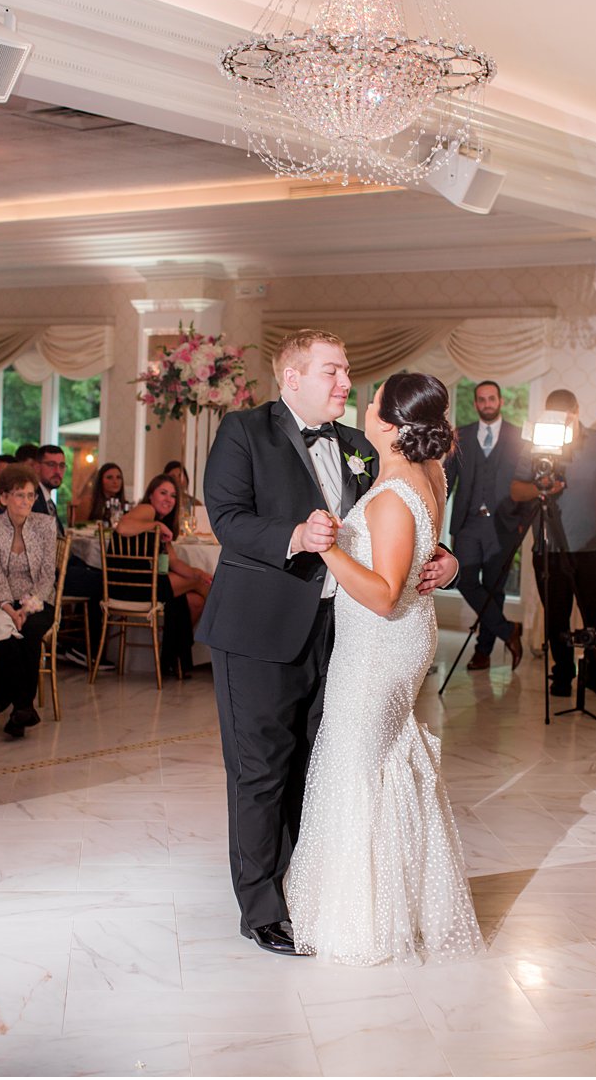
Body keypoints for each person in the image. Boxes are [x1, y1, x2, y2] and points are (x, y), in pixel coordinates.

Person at [198, 330, 458, 957]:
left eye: (346, 372)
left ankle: (304, 888)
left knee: (313, 769)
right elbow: (226, 518)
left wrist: (442, 557)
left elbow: (399, 524)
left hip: (343, 637)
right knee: (259, 772)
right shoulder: (243, 431)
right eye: (333, 371)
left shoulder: (360, 446)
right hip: (258, 631)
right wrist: (294, 535)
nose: (346, 383)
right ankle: (261, 909)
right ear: (293, 377)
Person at [286, 372, 485, 965]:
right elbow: (425, 552)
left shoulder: (396, 492)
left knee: (356, 765)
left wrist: (328, 548)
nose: (364, 408)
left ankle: (361, 918)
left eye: (373, 404)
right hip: (400, 640)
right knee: (381, 759)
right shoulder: (432, 472)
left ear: (394, 426)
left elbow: (382, 592)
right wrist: (443, 562)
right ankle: (398, 901)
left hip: (378, 644)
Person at [509, 389, 596, 699]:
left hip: (592, 547)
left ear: (576, 411)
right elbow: (517, 491)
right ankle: (562, 674)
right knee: (556, 617)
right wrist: (541, 488)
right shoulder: (535, 441)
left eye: (566, 415)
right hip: (549, 548)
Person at [445, 380, 525, 671]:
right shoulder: (461, 435)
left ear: (500, 401)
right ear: (476, 403)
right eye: (481, 399)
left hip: (502, 526)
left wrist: (521, 523)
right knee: (464, 581)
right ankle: (508, 630)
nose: (486, 403)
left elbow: (525, 483)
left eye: (492, 398)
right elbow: (446, 480)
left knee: (495, 588)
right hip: (467, 523)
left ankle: (483, 651)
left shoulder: (519, 437)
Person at [0, 465, 57, 739]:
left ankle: (18, 708)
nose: (26, 501)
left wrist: (26, 608)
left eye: (31, 495)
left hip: (38, 599)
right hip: (0, 600)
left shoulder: (46, 525)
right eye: (19, 495)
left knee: (30, 631)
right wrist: (9, 608)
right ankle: (23, 708)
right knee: (5, 632)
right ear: (4, 497)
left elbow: (47, 576)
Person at [113, 473, 211, 676]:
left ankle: (174, 656)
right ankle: (230, 639)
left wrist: (199, 573)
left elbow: (174, 562)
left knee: (195, 600)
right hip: (130, 583)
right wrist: (156, 525)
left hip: (146, 582)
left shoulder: (159, 523)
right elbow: (122, 526)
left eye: (173, 495)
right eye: (163, 493)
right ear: (151, 495)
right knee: (204, 587)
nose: (169, 499)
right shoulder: (147, 510)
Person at [33, 444, 109, 669]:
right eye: (51, 465)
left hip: (58, 567)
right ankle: (85, 651)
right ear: (37, 467)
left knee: (98, 575)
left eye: (62, 466)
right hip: (46, 575)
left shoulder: (47, 499)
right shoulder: (33, 499)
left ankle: (74, 645)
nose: (58, 471)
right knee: (102, 583)